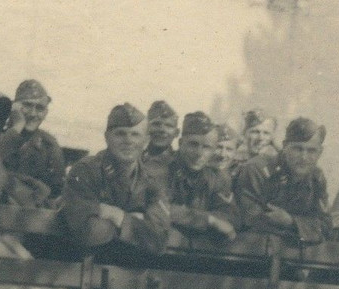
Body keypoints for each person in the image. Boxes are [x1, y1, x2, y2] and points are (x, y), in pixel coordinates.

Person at [59, 103, 170, 255]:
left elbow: (159, 240)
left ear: (146, 141)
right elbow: (85, 232)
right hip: (82, 266)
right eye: (120, 133)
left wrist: (117, 216)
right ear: (107, 137)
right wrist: (137, 225)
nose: (128, 141)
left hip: (131, 270)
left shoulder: (152, 181)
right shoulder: (86, 171)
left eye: (135, 134)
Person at [234, 117, 330, 244]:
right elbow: (250, 222)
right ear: (285, 146)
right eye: (298, 149)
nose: (304, 157)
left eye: (311, 150)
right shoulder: (256, 170)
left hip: (295, 256)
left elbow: (326, 227)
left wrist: (291, 222)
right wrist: (306, 230)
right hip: (252, 253)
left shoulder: (316, 177)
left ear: (320, 152)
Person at [0, 79, 66, 202]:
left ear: (46, 113)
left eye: (40, 108)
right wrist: (17, 127)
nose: (33, 114)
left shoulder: (49, 145)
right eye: (27, 105)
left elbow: (56, 191)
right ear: (14, 106)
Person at [164, 112, 240, 240]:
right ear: (181, 143)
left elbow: (231, 217)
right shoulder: (163, 169)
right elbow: (161, 210)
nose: (199, 153)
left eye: (206, 147)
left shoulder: (217, 177)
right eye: (193, 144)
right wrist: (209, 220)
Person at [141, 100, 179, 185]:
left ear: (176, 132)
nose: (162, 130)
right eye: (156, 124)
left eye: (169, 126)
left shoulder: (182, 162)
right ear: (147, 129)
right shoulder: (135, 160)